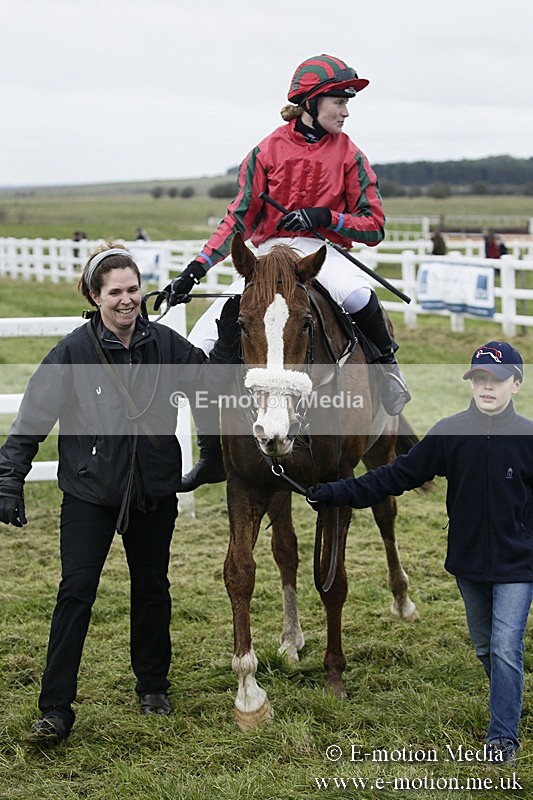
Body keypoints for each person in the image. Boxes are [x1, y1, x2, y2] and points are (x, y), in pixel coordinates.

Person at [0, 244, 239, 744]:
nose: (127, 300)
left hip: (153, 492)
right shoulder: (72, 352)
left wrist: (231, 337)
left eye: (133, 289)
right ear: (95, 295)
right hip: (90, 494)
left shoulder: (168, 346)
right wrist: (9, 476)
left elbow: (212, 387)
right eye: (115, 292)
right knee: (76, 593)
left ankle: (153, 686)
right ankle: (56, 709)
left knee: (152, 588)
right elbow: (33, 417)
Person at [159, 53, 411, 492]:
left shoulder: (351, 155)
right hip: (267, 254)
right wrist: (195, 270)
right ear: (312, 102)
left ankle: (389, 377)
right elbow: (237, 219)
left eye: (348, 103)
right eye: (339, 101)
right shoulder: (266, 151)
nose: (346, 111)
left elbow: (374, 226)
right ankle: (212, 453)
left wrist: (325, 217)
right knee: (202, 339)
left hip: (318, 253)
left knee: (358, 298)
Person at [306, 340, 532, 764]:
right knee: (486, 649)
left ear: (515, 385)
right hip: (468, 564)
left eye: (497, 380)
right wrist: (335, 492)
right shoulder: (450, 433)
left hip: (518, 565)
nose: (487, 387)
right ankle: (509, 691)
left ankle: (503, 738)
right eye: (479, 378)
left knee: (505, 646)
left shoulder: (528, 438)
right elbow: (394, 476)